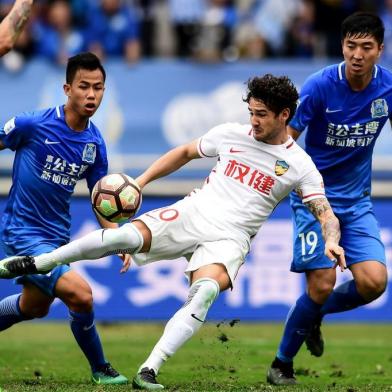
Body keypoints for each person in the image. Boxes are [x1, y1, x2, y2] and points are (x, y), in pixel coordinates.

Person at [0, 74, 346, 390]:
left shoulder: (299, 165)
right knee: (124, 237)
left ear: (284, 115)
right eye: (251, 112)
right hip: (192, 212)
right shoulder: (231, 134)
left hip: (230, 239)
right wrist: (140, 182)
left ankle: (149, 369)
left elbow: (324, 212)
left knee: (205, 292)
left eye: (262, 115)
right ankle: (40, 262)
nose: (253, 121)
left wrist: (332, 239)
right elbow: (183, 152)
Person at [267, 12, 389, 385]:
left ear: (379, 50)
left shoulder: (386, 88)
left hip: (356, 203)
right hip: (314, 199)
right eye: (351, 46)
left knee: (374, 282)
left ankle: (314, 314)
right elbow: (287, 136)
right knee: (320, 284)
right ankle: (281, 364)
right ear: (342, 47)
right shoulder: (320, 86)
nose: (357, 54)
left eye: (366, 47)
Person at [0, 52, 128, 385]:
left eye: (98, 88)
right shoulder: (33, 124)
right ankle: (101, 368)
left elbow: (103, 200)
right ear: (67, 88)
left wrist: (119, 238)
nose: (91, 95)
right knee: (82, 295)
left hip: (57, 236)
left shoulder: (95, 143)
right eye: (84, 86)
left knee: (34, 307)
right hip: (22, 231)